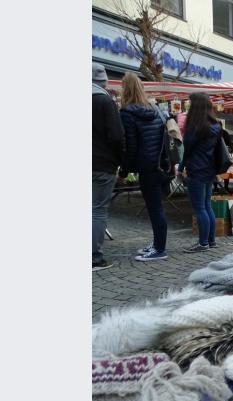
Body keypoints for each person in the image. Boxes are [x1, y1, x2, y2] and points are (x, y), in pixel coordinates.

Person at [120, 72, 170, 262]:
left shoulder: (127, 113)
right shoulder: (154, 109)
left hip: (145, 167)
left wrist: (124, 170)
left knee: (154, 208)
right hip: (159, 166)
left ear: (125, 89)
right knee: (156, 207)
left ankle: (160, 249)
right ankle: (158, 244)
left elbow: (130, 146)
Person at [178, 92, 221, 253]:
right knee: (207, 206)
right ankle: (211, 240)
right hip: (209, 169)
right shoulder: (215, 125)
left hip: (196, 169)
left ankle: (203, 243)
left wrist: (181, 168)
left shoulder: (196, 126)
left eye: (190, 103)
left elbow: (187, 148)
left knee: (200, 207)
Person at [92, 63, 125, 271]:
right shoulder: (105, 101)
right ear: (104, 82)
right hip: (102, 164)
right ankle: (94, 257)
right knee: (97, 211)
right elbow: (116, 136)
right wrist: (121, 161)